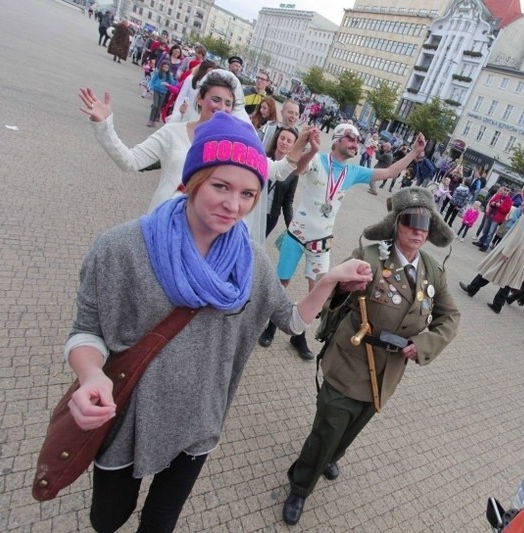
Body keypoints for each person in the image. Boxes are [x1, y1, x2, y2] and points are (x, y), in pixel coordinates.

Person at [64, 112, 373, 532]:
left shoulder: (251, 260)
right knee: (108, 517)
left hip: (200, 419)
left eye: (248, 194)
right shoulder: (122, 248)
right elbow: (87, 331)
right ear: (194, 179)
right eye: (220, 186)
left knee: (159, 523)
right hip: (129, 412)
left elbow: (292, 321)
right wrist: (89, 377)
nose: (234, 205)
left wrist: (331, 280)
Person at [282, 187, 460, 525]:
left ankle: (333, 456)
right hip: (352, 357)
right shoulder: (371, 256)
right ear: (396, 224)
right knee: (329, 427)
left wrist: (423, 346)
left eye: (425, 224)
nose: (418, 231)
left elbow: (450, 317)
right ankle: (300, 486)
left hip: (388, 369)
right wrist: (343, 288)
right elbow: (333, 295)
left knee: (355, 424)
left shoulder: (433, 272)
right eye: (411, 222)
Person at [259, 125, 428, 359]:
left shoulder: (353, 171)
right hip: (297, 234)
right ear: (337, 140)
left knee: (319, 291)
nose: (355, 143)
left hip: (321, 241)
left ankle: (298, 336)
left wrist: (414, 153)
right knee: (282, 282)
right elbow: (296, 170)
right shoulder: (316, 159)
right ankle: (271, 326)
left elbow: (389, 172)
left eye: (358, 140)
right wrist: (311, 149)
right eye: (350, 138)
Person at [79, 70, 302, 219]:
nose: (221, 108)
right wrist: (104, 125)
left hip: (205, 231)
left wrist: (297, 151)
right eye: (215, 99)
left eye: (228, 103)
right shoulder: (173, 133)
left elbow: (273, 171)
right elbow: (130, 161)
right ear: (200, 99)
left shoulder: (233, 143)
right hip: (163, 221)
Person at [458, 190, 524, 312]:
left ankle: (472, 288)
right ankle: (497, 304)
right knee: (509, 278)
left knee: (492, 268)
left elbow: (518, 235)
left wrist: (507, 252)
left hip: (512, 249)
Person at [474, 186, 512, 251]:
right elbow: (491, 202)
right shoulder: (498, 196)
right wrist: (493, 203)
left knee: (490, 232)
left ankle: (485, 245)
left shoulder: (509, 200)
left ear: (509, 192)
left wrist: (500, 206)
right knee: (485, 229)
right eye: (505, 189)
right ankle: (481, 242)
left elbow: (506, 210)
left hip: (497, 218)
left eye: (507, 190)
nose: (505, 191)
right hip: (490, 214)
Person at [146, 60, 176, 127]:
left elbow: (172, 83)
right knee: (155, 105)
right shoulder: (157, 72)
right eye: (164, 67)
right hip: (156, 90)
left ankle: (154, 120)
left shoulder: (169, 75)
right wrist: (151, 88)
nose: (165, 69)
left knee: (159, 107)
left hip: (163, 92)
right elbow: (153, 81)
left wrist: (171, 76)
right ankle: (150, 120)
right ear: (161, 67)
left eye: (167, 68)